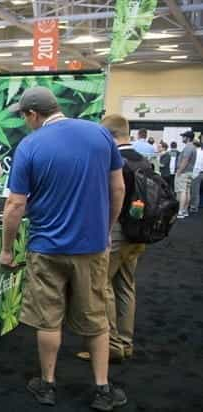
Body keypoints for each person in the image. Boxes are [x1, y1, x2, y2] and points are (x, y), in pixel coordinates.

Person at [0, 86, 126, 410]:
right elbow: (118, 188)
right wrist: (107, 229)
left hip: (46, 247)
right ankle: (102, 389)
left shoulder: (29, 145)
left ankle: (47, 384)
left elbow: (15, 205)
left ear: (32, 114)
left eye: (24, 116)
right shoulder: (100, 135)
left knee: (48, 320)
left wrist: (6, 250)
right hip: (92, 247)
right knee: (96, 318)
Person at [75, 114, 148, 364]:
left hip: (114, 231)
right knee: (126, 286)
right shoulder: (144, 161)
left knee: (101, 287)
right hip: (139, 232)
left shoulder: (113, 160)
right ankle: (125, 342)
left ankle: (111, 344)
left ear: (108, 135)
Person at [175, 131, 197, 219]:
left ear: (187, 138)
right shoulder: (193, 147)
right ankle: (184, 211)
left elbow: (185, 160)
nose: (182, 138)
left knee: (182, 191)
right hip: (189, 172)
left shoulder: (188, 147)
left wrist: (179, 171)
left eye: (183, 136)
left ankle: (180, 211)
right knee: (187, 191)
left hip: (184, 172)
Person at [191, 139, 203, 214]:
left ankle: (194, 207)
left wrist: (193, 174)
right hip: (201, 172)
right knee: (197, 191)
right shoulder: (201, 152)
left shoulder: (196, 152)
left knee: (194, 191)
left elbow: (196, 165)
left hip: (196, 173)